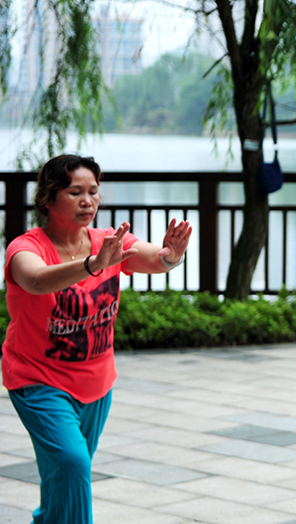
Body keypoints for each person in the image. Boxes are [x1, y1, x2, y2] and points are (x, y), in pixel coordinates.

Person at [2, 154, 192, 524]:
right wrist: (93, 265)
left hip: (96, 383)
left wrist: (172, 256)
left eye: (93, 191)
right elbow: (37, 281)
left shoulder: (107, 241)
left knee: (65, 472)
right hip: (37, 379)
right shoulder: (25, 248)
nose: (88, 200)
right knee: (73, 462)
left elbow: (156, 259)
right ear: (48, 199)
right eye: (75, 192)